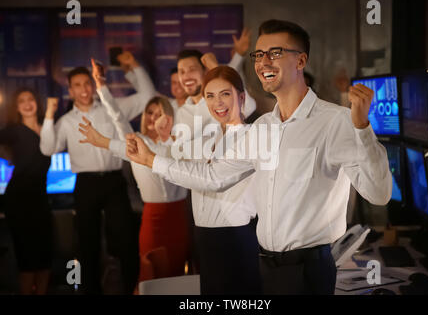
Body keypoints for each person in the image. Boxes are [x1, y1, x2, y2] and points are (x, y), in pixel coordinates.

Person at [126, 20, 392, 295]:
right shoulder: (262, 127)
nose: (264, 62)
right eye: (258, 54)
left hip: (308, 270)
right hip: (265, 265)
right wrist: (151, 160)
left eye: (275, 53)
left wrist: (362, 128)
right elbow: (213, 176)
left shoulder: (336, 121)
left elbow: (379, 194)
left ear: (301, 60)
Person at [126, 66, 260, 295]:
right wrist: (162, 140)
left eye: (225, 94)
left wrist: (151, 159)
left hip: (234, 238)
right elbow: (176, 157)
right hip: (205, 237)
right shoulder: (210, 138)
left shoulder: (250, 137)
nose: (217, 102)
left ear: (241, 97)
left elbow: (211, 179)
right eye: (210, 96)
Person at [39, 51, 153, 294]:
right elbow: (48, 148)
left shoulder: (112, 107)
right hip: (85, 184)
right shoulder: (66, 121)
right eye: (77, 85)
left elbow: (147, 98)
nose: (83, 89)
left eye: (87, 83)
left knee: (125, 240)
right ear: (70, 90)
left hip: (114, 182)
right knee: (87, 245)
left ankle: (134, 289)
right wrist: (49, 115)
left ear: (94, 85)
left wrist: (134, 66)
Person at [77, 60, 190, 286]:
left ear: (169, 117)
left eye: (159, 113)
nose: (153, 117)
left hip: (180, 217)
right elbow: (118, 118)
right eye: (149, 112)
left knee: (178, 279)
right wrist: (101, 88)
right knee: (150, 276)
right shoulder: (136, 142)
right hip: (152, 219)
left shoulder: (183, 144)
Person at [0, 88, 53, 295]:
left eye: (30, 99)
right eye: (21, 101)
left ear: (37, 102)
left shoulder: (49, 129)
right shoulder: (14, 130)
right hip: (19, 200)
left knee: (45, 256)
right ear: (17, 107)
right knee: (28, 259)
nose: (27, 103)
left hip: (40, 199)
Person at [175, 28, 257, 141]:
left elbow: (248, 106)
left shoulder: (219, 101)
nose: (186, 76)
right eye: (181, 72)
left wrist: (214, 67)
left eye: (192, 69)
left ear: (205, 71)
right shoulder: (181, 112)